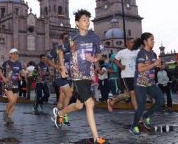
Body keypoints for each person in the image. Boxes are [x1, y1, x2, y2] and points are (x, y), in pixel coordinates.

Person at [52, 9, 106, 144]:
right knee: (90, 103)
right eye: (83, 20)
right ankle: (96, 138)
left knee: (78, 106)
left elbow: (100, 54)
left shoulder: (94, 37)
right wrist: (63, 67)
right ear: (77, 23)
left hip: (89, 75)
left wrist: (94, 59)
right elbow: (60, 51)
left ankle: (59, 114)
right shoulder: (72, 38)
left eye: (88, 20)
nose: (87, 22)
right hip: (76, 75)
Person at [130, 32, 165, 135]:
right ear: (145, 41)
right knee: (141, 104)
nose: (153, 41)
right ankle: (134, 126)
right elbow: (140, 69)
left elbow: (155, 66)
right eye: (151, 40)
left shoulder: (153, 53)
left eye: (153, 39)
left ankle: (146, 116)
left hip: (150, 83)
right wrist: (154, 63)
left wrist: (160, 65)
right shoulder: (141, 53)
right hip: (140, 83)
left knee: (161, 100)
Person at [107, 38, 139, 112]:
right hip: (127, 76)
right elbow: (115, 59)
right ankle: (138, 114)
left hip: (136, 75)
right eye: (131, 42)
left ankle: (112, 101)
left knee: (127, 95)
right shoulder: (122, 52)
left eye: (134, 42)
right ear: (127, 44)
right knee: (133, 93)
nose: (133, 44)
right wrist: (120, 66)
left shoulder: (137, 51)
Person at [0, 48, 23, 124]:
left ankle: (8, 117)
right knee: (11, 101)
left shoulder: (19, 63)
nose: (16, 55)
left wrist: (20, 76)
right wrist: (3, 78)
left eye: (17, 53)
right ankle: (5, 113)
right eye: (14, 53)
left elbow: (19, 73)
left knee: (13, 103)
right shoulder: (6, 63)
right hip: (8, 84)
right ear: (10, 55)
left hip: (16, 84)